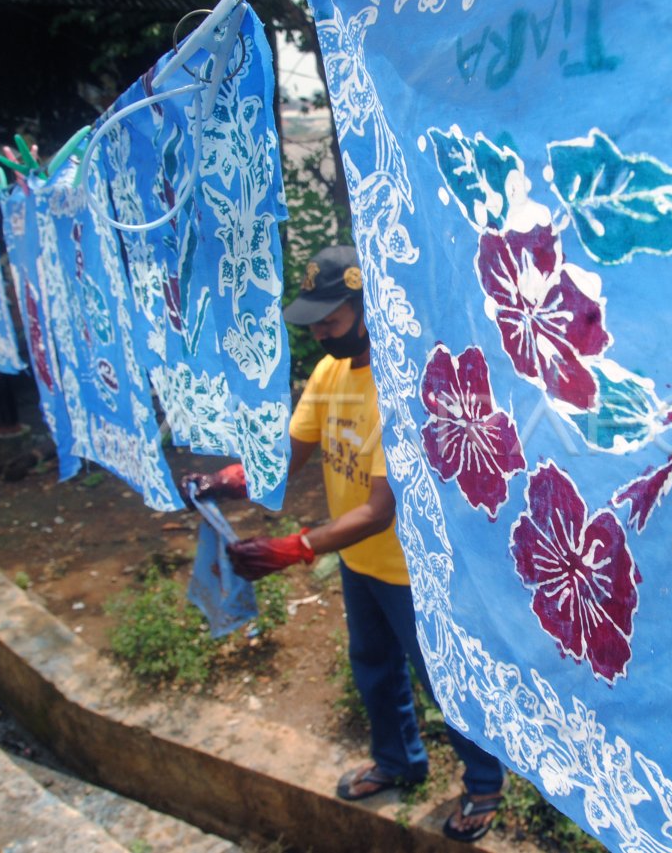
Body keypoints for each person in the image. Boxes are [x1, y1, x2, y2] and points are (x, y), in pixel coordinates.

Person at [183, 246, 506, 843]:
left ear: (366, 308)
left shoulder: (403, 386)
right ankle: (398, 762)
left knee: (445, 683)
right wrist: (225, 481)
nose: (320, 332)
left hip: (415, 572)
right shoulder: (331, 374)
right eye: (313, 322)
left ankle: (484, 785)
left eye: (330, 319)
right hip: (359, 565)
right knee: (373, 668)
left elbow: (381, 510)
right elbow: (289, 456)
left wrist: (293, 548)